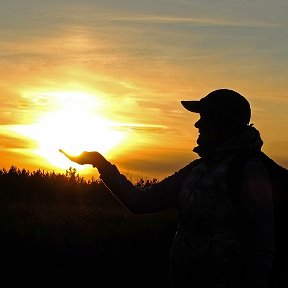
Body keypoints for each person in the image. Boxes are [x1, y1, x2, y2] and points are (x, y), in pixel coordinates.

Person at [59, 89, 275, 288]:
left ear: (223, 123)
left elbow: (262, 244)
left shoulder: (250, 170)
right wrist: (100, 163)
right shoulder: (198, 169)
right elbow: (140, 203)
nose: (197, 125)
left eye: (204, 117)